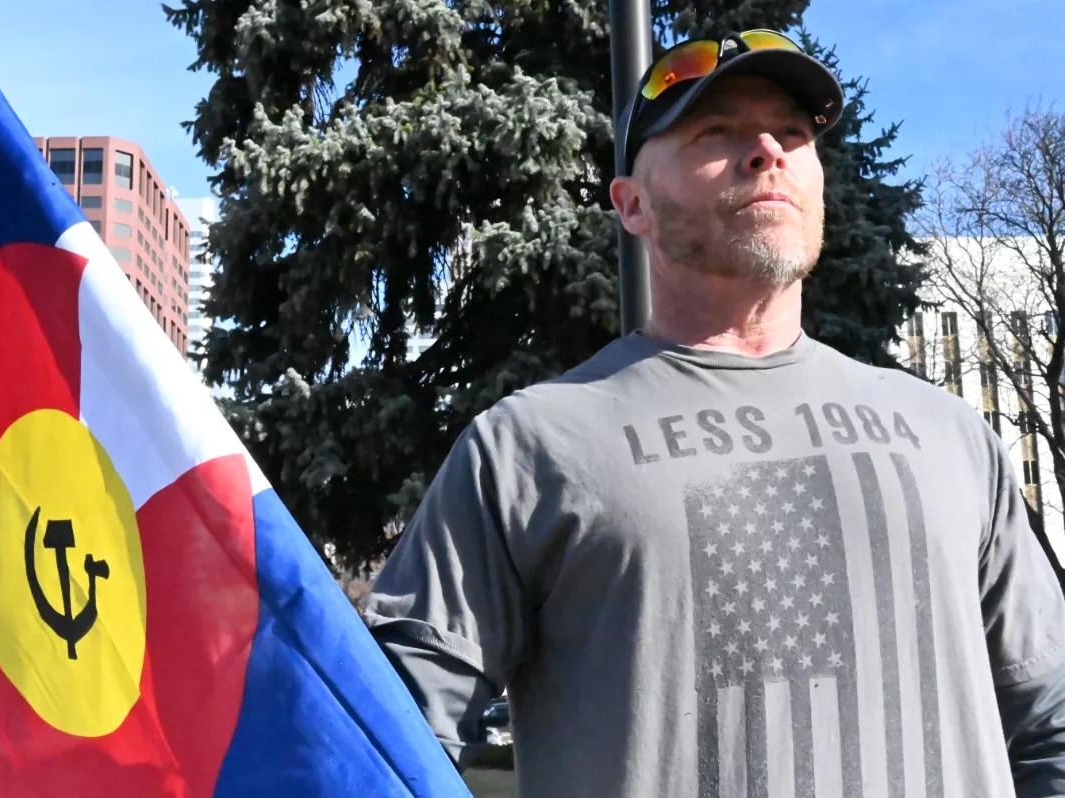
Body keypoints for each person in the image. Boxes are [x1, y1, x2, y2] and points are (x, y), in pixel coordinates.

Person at [362, 28, 1065, 798]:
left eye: (793, 134)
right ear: (631, 205)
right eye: (715, 132)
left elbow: (1049, 723)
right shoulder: (530, 447)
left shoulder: (954, 436)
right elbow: (379, 740)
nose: (766, 149)